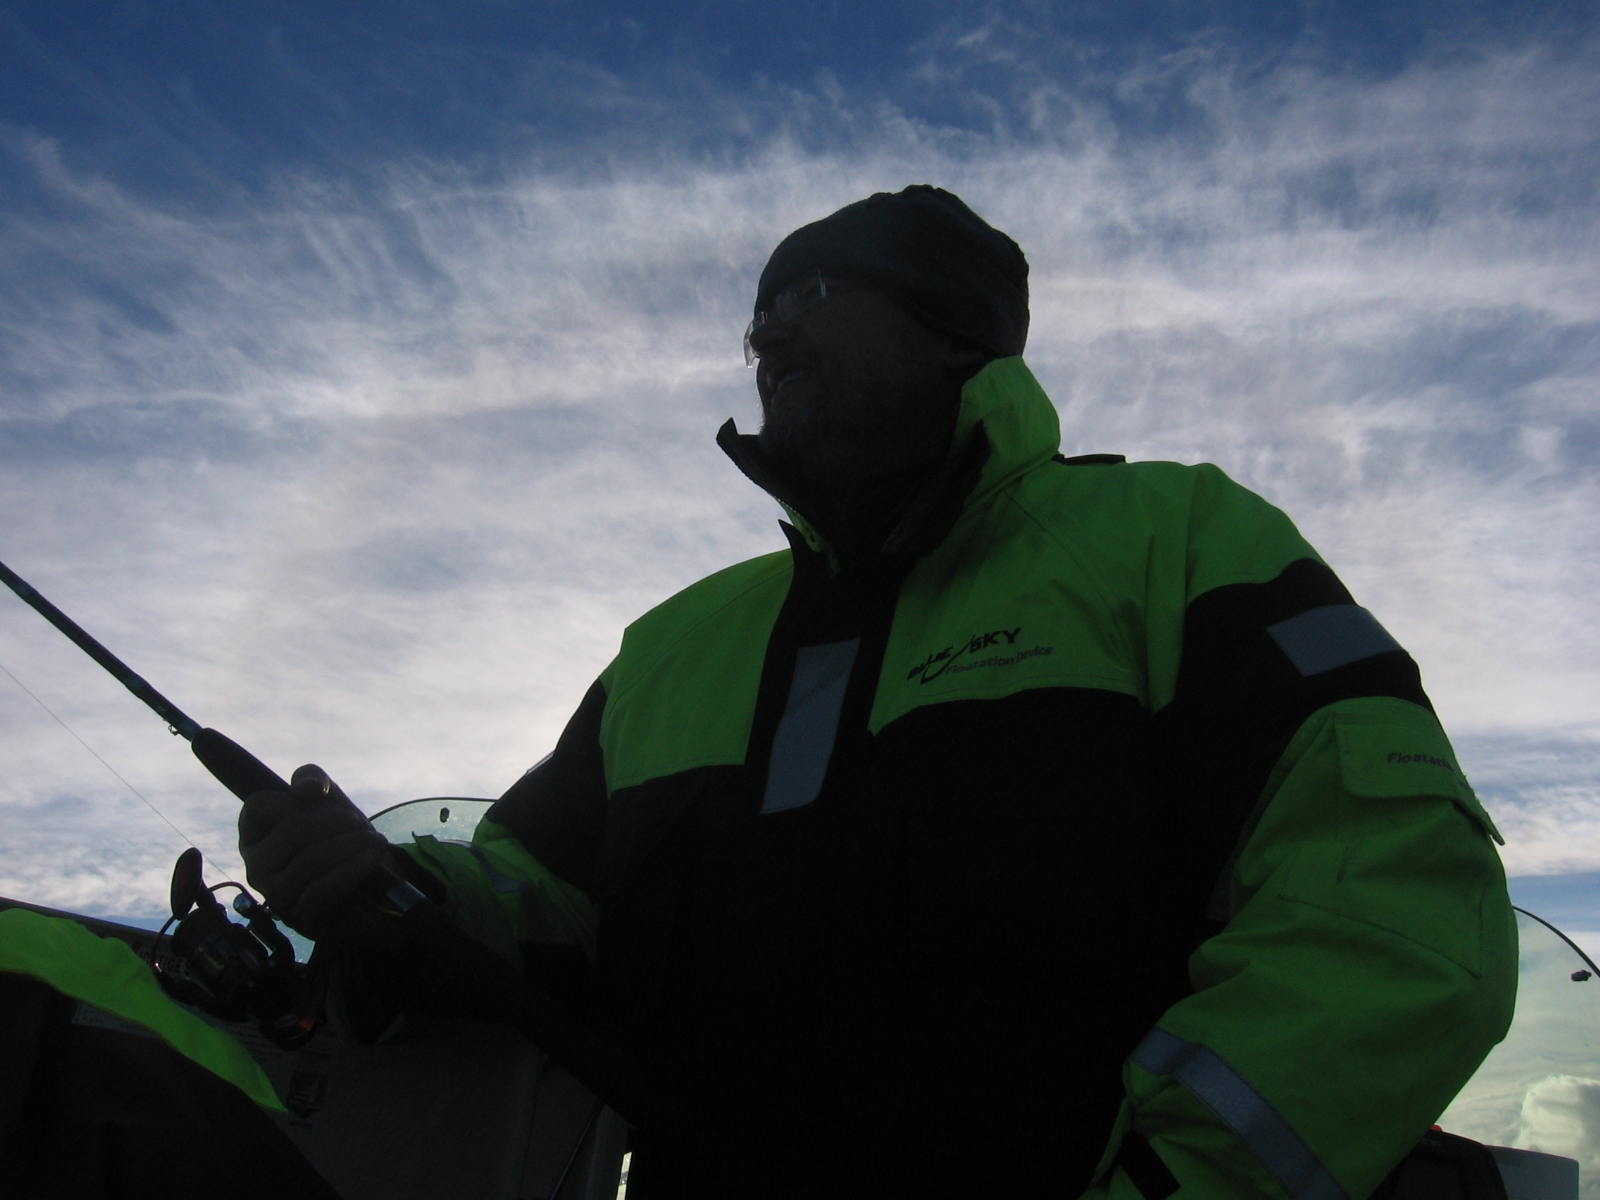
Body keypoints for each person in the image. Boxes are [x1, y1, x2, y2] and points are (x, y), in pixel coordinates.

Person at [240, 185, 1518, 1198]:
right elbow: (540, 905)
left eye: (811, 293)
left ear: (953, 328)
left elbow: (1395, 914)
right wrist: (388, 889)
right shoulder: (673, 644)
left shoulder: (1179, 544)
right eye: (755, 316)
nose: (765, 334)